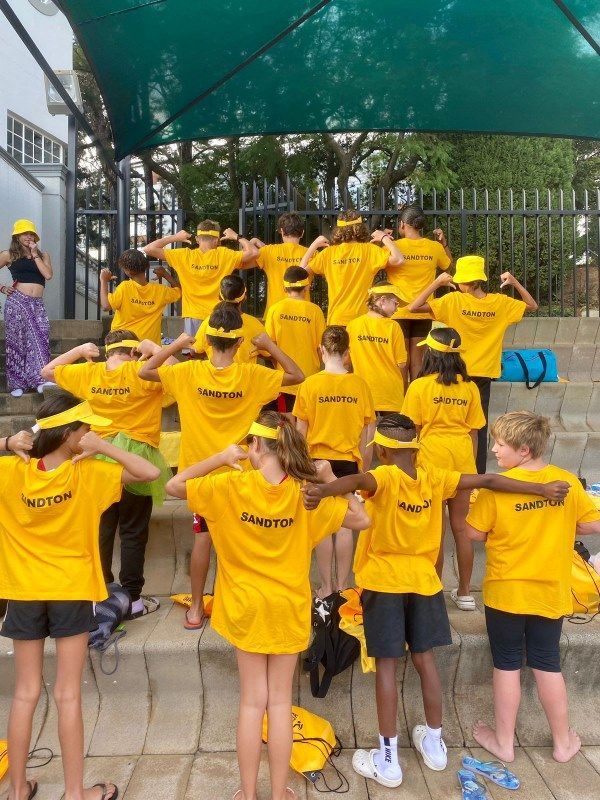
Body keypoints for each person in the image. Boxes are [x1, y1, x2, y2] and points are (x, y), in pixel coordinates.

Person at [302, 413, 570, 788]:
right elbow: (489, 479)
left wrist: (321, 490)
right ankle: (435, 742)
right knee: (426, 661)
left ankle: (389, 760)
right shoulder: (435, 477)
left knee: (387, 667)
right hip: (426, 584)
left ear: (380, 449)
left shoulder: (383, 477)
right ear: (414, 447)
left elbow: (354, 480)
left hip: (384, 583)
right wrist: (541, 490)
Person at [165, 411, 369, 800]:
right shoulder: (307, 495)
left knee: (251, 703)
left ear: (255, 446)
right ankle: (279, 794)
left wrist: (219, 457)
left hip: (244, 608)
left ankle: (248, 793)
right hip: (287, 608)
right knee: (279, 703)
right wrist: (329, 480)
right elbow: (360, 519)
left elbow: (175, 484)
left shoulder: (229, 486)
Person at [0, 393, 160, 800]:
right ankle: (75, 792)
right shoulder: (91, 475)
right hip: (71, 591)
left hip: (23, 592)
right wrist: (104, 448)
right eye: (86, 428)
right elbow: (149, 473)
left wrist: (6, 444)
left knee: (25, 692)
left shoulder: (10, 473)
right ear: (70, 435)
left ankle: (18, 789)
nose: (92, 433)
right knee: (67, 693)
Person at [138, 304, 304, 629]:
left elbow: (144, 372)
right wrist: (270, 347)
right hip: (244, 474)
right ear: (241, 343)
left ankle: (197, 610)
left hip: (199, 475)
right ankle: (248, 603)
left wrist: (176, 345)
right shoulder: (253, 375)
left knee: (203, 538)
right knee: (246, 541)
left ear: (207, 340)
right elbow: (297, 376)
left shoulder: (188, 372)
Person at [465, 411, 600, 764]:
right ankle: (562, 743)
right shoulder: (566, 481)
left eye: (501, 444)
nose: (493, 448)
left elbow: (473, 534)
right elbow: (592, 523)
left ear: (524, 450)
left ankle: (504, 743)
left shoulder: (495, 489)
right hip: (550, 592)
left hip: (505, 592)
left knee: (507, 665)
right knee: (547, 663)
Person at [41, 330, 176, 619]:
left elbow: (47, 371)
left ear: (107, 350)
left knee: (101, 529)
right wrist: (153, 348)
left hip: (96, 456)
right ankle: (134, 600)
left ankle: (102, 593)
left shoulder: (89, 373)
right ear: (133, 350)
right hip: (135, 460)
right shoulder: (144, 370)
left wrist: (79, 350)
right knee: (133, 531)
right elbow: (180, 372)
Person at [408, 254, 537, 473]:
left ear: (464, 281)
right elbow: (532, 306)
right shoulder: (500, 303)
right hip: (483, 373)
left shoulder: (453, 301)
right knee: (477, 427)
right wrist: (513, 282)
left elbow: (413, 307)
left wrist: (437, 283)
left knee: (442, 423)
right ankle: (475, 475)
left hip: (452, 370)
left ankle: (436, 470)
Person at [401, 327, 485, 610]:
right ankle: (464, 593)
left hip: (431, 461)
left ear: (432, 353)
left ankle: (434, 592)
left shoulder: (419, 386)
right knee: (461, 529)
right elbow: (474, 433)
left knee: (433, 531)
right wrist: (470, 470)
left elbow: (411, 432)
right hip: (462, 461)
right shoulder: (471, 388)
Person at [293, 326, 375, 597]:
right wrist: (362, 465)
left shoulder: (310, 385)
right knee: (343, 525)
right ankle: (343, 584)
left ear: (321, 350)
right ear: (348, 353)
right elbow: (368, 431)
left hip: (316, 463)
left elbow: (299, 432)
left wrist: (298, 467)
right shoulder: (360, 384)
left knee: (322, 526)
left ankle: (326, 587)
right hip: (348, 463)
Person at [143, 221, 259, 338]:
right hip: (219, 316)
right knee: (219, 352)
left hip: (193, 315)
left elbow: (148, 249)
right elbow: (254, 252)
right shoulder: (225, 255)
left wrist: (175, 237)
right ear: (217, 240)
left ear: (198, 239)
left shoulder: (183, 255)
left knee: (192, 353)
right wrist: (236, 236)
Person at [300, 211, 403, 326]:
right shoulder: (369, 250)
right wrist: (383, 237)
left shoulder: (328, 253)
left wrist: (314, 245)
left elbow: (299, 274)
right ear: (359, 228)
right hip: (362, 320)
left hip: (336, 319)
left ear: (338, 229)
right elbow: (398, 259)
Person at [385, 205, 452, 380]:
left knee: (401, 361)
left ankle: (401, 402)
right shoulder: (434, 247)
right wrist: (443, 243)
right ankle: (416, 403)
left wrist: (383, 240)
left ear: (402, 224)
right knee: (417, 362)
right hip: (423, 311)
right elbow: (448, 267)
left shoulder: (394, 247)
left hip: (397, 311)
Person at [347, 281, 407, 466]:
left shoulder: (353, 325)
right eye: (395, 303)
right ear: (382, 301)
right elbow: (402, 363)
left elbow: (347, 360)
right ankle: (392, 478)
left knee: (366, 434)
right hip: (390, 389)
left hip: (363, 387)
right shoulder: (393, 327)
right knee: (393, 437)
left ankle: (362, 478)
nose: (397, 308)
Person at [0, 219, 53, 397]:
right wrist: (1, 288)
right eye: (25, 233)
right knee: (17, 342)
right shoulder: (8, 255)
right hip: (17, 302)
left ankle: (39, 379)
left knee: (41, 339)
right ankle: (17, 383)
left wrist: (34, 253)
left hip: (37, 304)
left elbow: (48, 275)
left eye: (31, 234)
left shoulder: (43, 255)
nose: (28, 236)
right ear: (17, 236)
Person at [264, 266, 326, 414]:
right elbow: (321, 348)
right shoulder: (315, 311)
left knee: (287, 426)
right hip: (310, 378)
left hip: (286, 378)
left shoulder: (275, 309)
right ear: (307, 288)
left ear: (285, 288)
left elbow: (268, 347)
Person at [99, 248, 181, 344]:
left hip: (122, 344)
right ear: (145, 266)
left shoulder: (125, 287)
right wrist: (165, 274)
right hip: (149, 347)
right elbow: (179, 291)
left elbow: (106, 306)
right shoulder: (160, 291)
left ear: (128, 272)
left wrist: (103, 281)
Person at [193, 275, 269, 364]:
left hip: (216, 375)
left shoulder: (210, 321)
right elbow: (267, 354)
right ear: (244, 296)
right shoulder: (254, 324)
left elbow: (196, 351)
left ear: (220, 296)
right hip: (245, 376)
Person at [251, 212, 308, 314]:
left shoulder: (268, 252)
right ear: (302, 233)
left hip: (275, 313)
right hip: (303, 314)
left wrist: (252, 242)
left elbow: (241, 261)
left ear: (281, 231)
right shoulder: (312, 254)